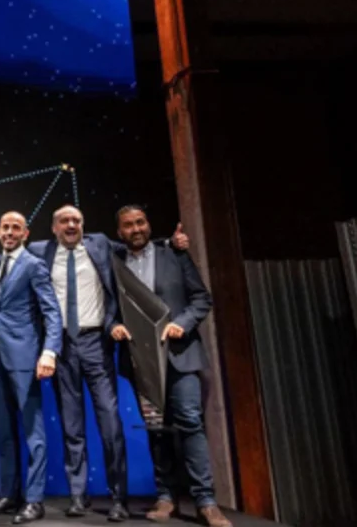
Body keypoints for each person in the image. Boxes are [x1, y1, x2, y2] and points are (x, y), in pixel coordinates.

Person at [0, 207, 187, 523]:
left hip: (96, 343)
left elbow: (134, 245)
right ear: (53, 228)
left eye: (76, 220)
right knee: (71, 425)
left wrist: (170, 244)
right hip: (62, 346)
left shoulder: (99, 243)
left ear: (83, 224)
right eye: (64, 221)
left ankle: (118, 498)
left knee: (110, 424)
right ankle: (78, 497)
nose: (71, 225)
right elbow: (12, 259)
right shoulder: (39, 251)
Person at [113, 205, 231, 527]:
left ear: (148, 224)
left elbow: (201, 298)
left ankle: (206, 502)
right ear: (120, 232)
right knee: (156, 429)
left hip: (180, 354)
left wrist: (182, 323)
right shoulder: (116, 264)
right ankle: (166, 497)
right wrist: (113, 325)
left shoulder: (174, 254)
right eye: (128, 225)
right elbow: (110, 308)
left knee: (190, 422)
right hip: (142, 361)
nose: (136, 229)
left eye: (140, 222)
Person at [0, 211, 62, 525]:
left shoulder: (34, 265)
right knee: (5, 432)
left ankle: (34, 501)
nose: (9, 232)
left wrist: (49, 352)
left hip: (25, 358)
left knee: (34, 433)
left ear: (25, 233)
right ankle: (10, 495)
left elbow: (52, 312)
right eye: (5, 227)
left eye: (15, 228)